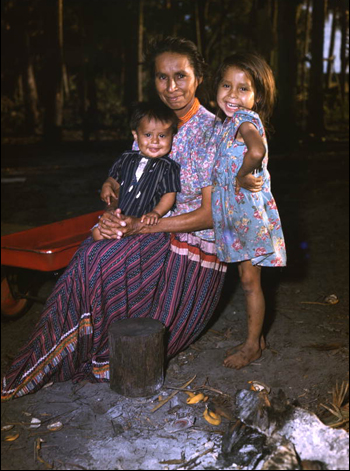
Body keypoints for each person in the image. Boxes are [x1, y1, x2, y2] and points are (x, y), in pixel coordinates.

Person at [1, 37, 226, 401]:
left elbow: (211, 215)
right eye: (161, 77)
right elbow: (129, 184)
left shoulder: (214, 132)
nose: (171, 87)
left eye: (180, 76)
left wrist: (142, 225)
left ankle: (77, 357)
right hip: (148, 229)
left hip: (193, 245)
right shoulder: (153, 124)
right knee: (92, 250)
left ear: (198, 77)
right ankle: (45, 359)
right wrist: (112, 215)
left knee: (100, 259)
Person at [211, 52, 286, 370]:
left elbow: (257, 150)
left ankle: (253, 344)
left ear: (258, 96)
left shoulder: (245, 120)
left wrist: (243, 174)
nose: (232, 95)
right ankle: (258, 336)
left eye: (243, 88)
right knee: (247, 280)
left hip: (248, 218)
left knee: (250, 281)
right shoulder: (227, 124)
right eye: (227, 85)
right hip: (237, 217)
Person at [92, 102, 181, 241]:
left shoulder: (169, 167)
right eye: (148, 134)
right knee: (97, 233)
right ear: (135, 135)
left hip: (145, 221)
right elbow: (113, 180)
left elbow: (169, 195)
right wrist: (107, 185)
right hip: (122, 214)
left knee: (128, 242)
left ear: (172, 137)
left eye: (162, 136)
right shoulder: (126, 158)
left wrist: (156, 213)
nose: (155, 141)